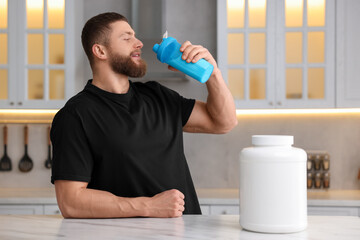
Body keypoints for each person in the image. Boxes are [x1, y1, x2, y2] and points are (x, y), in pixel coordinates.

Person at [50, 12, 237, 219]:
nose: (139, 43)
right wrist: (148, 206)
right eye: (127, 37)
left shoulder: (157, 95)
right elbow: (70, 202)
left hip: (187, 232)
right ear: (100, 50)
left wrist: (213, 74)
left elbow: (223, 123)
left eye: (136, 36)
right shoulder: (75, 115)